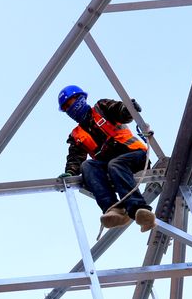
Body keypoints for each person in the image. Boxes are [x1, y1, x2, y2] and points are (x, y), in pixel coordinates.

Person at [56, 85, 155, 231]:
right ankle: (114, 209)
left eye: (72, 102)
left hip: (135, 156)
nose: (71, 108)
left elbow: (118, 110)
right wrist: (70, 172)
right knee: (87, 166)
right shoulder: (76, 135)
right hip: (111, 167)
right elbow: (75, 158)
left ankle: (138, 209)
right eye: (66, 107)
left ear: (81, 99)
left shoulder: (101, 108)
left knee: (115, 164)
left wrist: (128, 109)